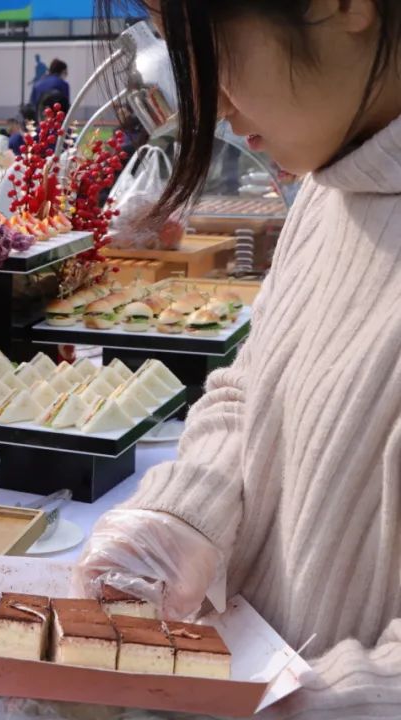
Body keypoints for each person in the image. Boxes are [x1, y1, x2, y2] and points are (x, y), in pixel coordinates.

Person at [74, 1, 401, 717]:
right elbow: (254, 386)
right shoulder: (330, 187)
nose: (212, 106)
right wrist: (183, 518)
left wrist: (300, 705)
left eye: (210, 46)